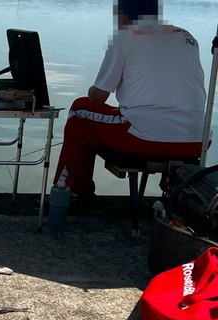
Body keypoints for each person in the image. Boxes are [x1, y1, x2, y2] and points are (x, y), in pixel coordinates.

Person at [52, 0, 207, 202]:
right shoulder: (187, 37)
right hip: (198, 141)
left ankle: (74, 191)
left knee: (80, 110)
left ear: (123, 15)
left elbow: (98, 98)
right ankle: (171, 188)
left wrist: (94, 89)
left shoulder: (125, 37)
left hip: (144, 139)